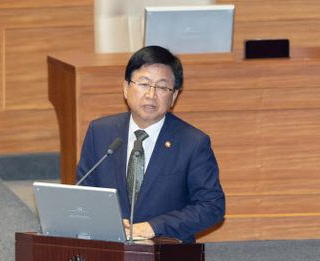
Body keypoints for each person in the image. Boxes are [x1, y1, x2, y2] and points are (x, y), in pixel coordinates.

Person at [76, 45, 225, 242]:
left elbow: (212, 206)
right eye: (144, 84)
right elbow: (84, 191)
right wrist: (108, 222)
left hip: (165, 248)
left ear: (173, 96)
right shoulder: (100, 132)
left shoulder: (193, 143)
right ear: (126, 88)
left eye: (162, 87)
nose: (151, 95)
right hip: (108, 244)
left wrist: (153, 227)